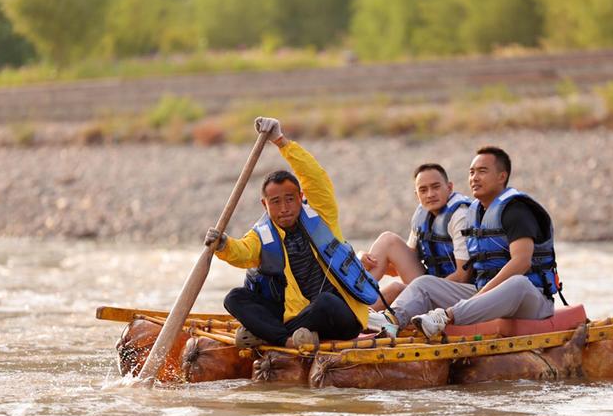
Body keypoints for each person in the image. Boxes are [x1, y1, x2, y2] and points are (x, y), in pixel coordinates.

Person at [205, 117, 378, 349]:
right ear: (265, 205)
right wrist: (223, 244)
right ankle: (286, 340)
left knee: (325, 301)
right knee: (234, 298)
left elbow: (315, 177)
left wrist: (280, 141)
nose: (284, 208)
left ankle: (267, 334)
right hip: (295, 318)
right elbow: (242, 252)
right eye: (276, 202)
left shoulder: (322, 215)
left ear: (300, 197)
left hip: (339, 315)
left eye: (290, 199)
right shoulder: (262, 234)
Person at [381, 146, 562, 338]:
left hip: (531, 299)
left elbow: (522, 262)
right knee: (424, 284)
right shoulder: (474, 212)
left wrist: (481, 295)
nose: (474, 178)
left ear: (501, 176)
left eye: (482, 171)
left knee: (518, 283)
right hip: (483, 294)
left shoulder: (517, 210)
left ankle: (444, 317)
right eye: (471, 172)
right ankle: (390, 321)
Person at [361, 164, 473, 312]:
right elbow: (399, 267)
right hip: (430, 284)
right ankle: (355, 297)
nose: (430, 194)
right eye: (423, 190)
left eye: (436, 187)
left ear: (449, 187)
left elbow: (462, 276)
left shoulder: (460, 215)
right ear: (417, 195)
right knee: (388, 240)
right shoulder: (422, 215)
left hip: (458, 291)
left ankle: (356, 317)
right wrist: (365, 261)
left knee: (396, 289)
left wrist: (418, 290)